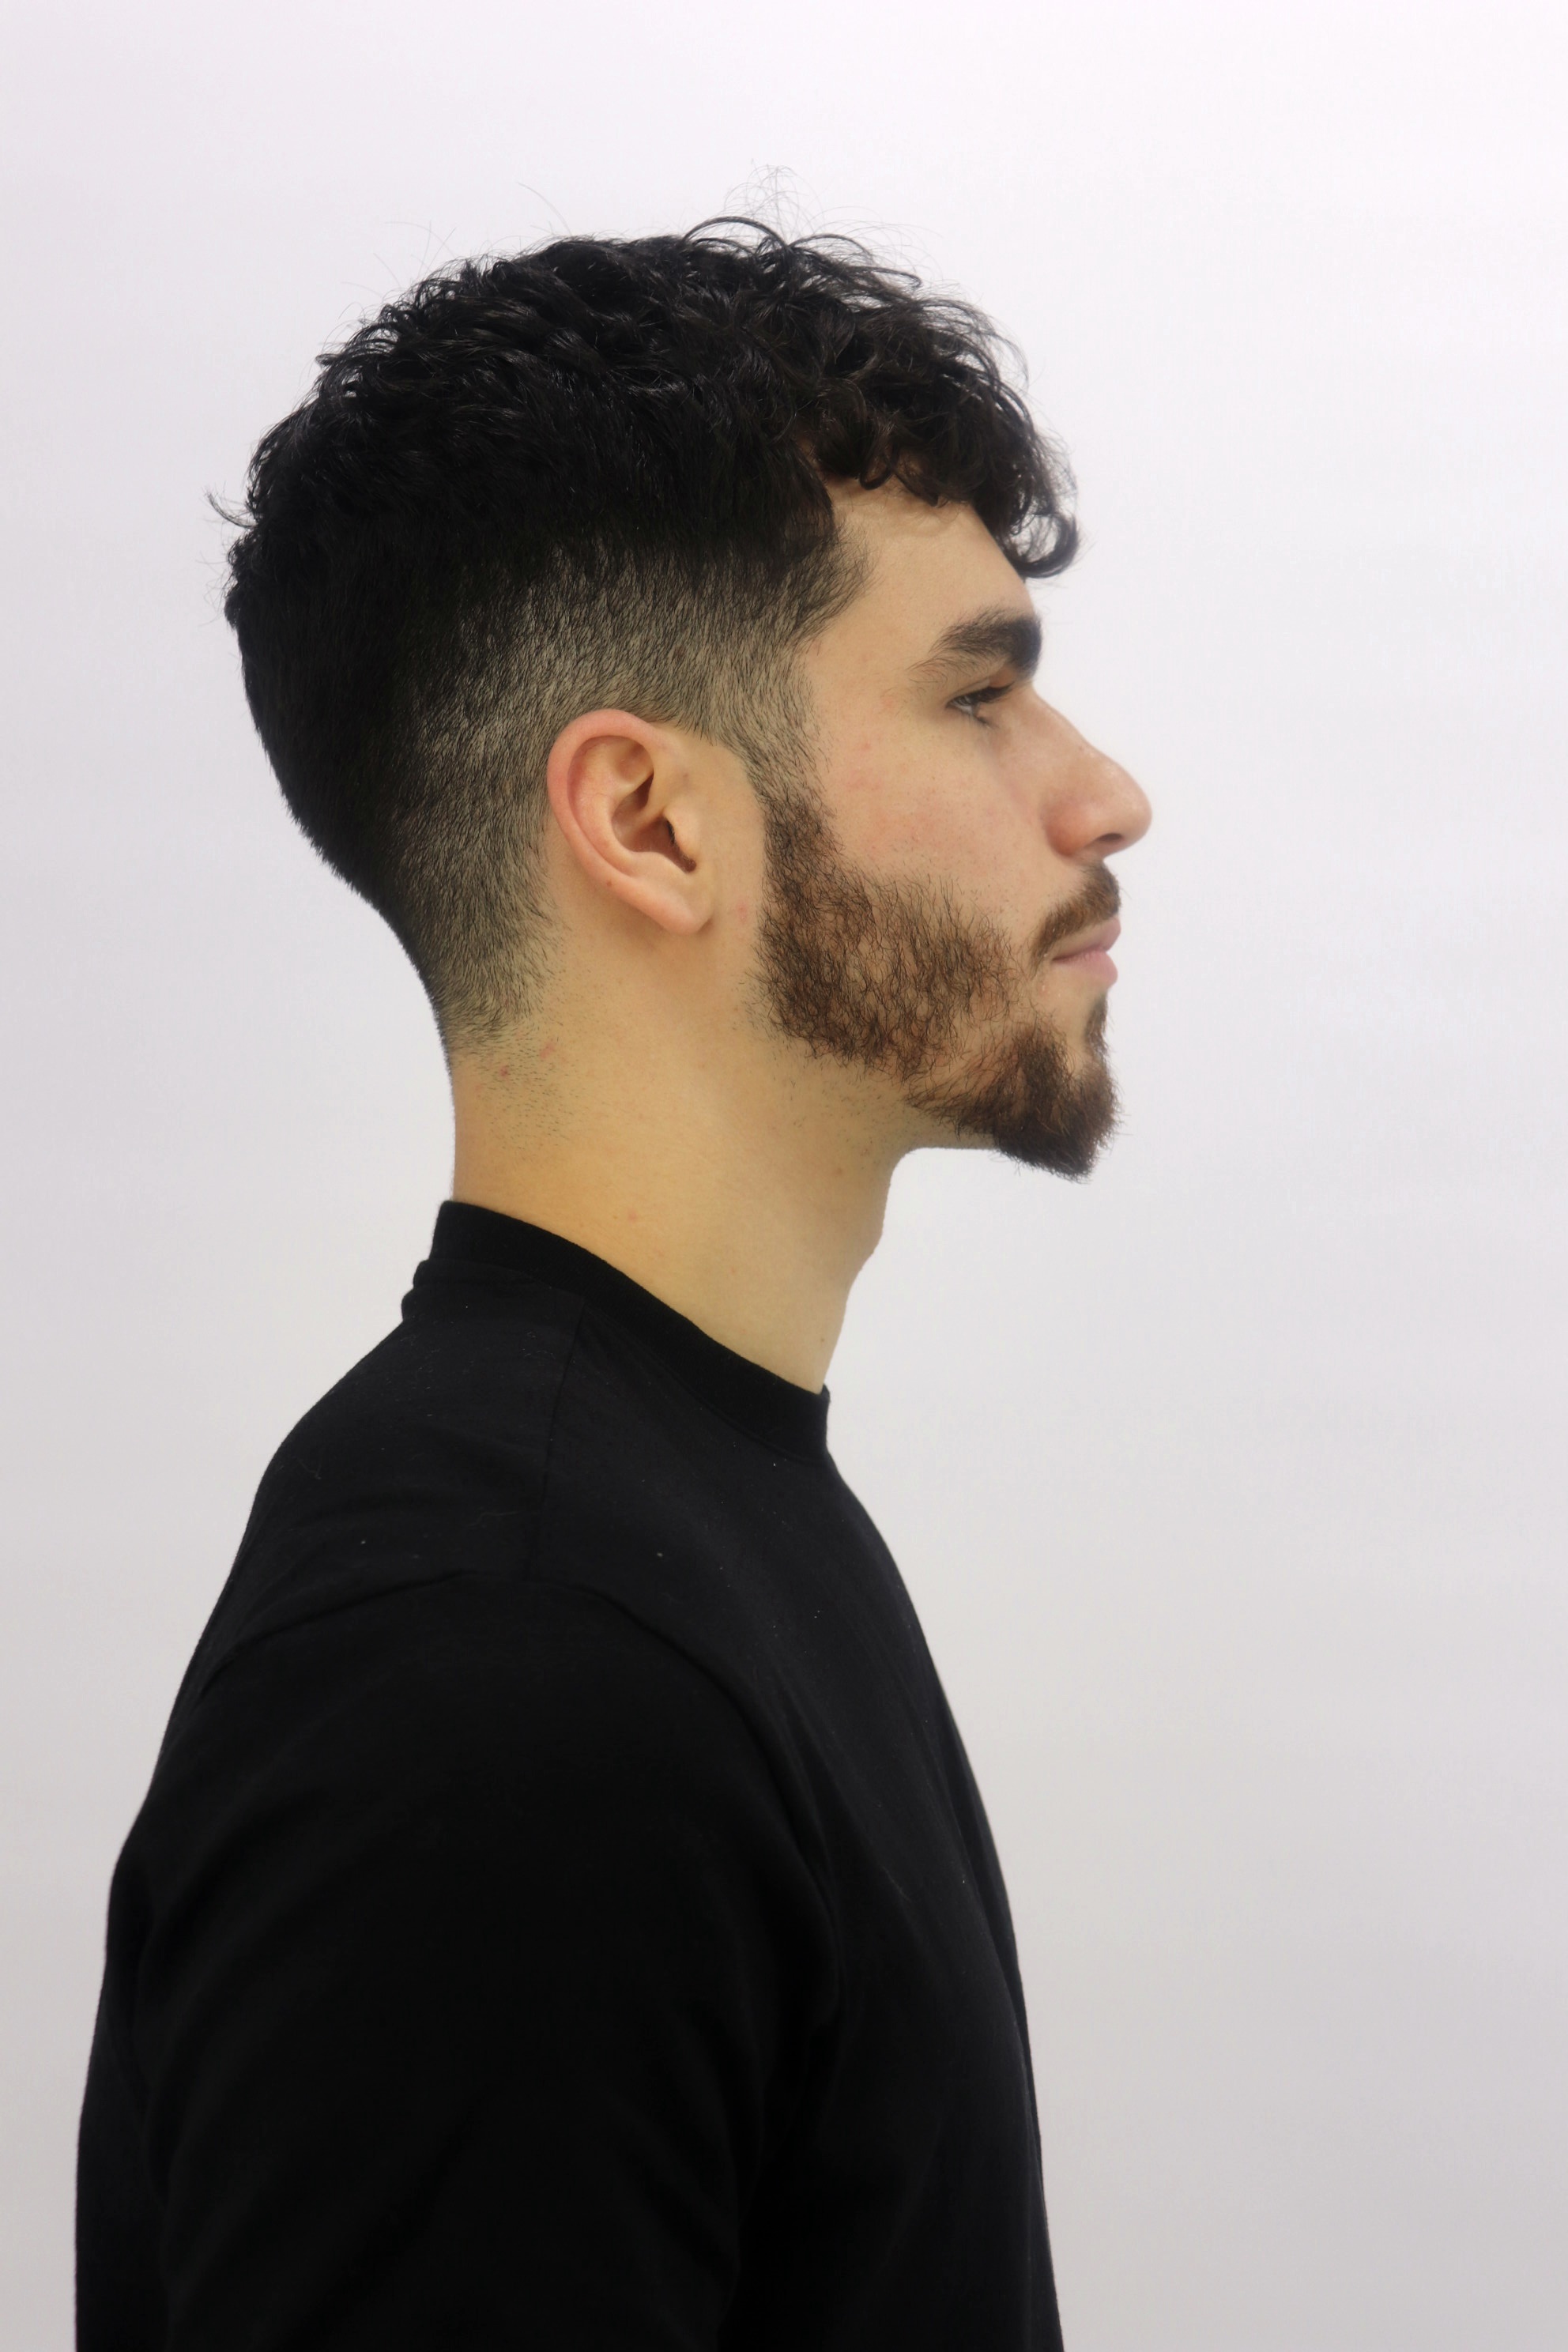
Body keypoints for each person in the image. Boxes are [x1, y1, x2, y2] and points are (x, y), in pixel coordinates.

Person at [76, 224, 1151, 2350]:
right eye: (977, 693)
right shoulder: (507, 1677)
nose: (1102, 792)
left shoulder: (661, 1538)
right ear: (651, 822)